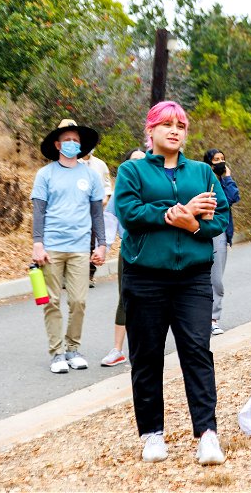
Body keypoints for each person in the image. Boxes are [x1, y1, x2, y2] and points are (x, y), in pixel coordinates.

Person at [114, 101, 229, 465]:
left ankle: (207, 434)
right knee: (146, 356)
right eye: (166, 124)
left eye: (181, 124)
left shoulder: (202, 173)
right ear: (151, 131)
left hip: (192, 278)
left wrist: (193, 224)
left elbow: (220, 217)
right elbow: (129, 214)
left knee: (197, 350)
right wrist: (175, 212)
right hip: (144, 277)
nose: (175, 130)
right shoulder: (131, 171)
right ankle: (152, 434)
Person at [31, 119, 107, 374]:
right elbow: (39, 212)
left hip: (79, 248)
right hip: (51, 247)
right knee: (52, 301)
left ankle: (73, 349)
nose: (72, 144)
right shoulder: (45, 174)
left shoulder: (90, 175)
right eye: (67, 140)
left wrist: (102, 245)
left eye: (76, 140)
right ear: (57, 144)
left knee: (78, 301)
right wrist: (37, 244)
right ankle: (57, 353)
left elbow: (97, 214)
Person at [101, 148, 146, 368]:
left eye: (143, 160)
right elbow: (110, 217)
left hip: (157, 250)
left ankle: (146, 348)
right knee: (126, 298)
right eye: (134, 161)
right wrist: (104, 247)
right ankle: (118, 350)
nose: (139, 164)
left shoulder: (155, 186)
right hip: (130, 250)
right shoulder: (121, 191)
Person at [202, 148, 241, 335]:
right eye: (216, 160)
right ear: (209, 163)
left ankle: (213, 318)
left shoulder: (224, 181)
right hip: (202, 231)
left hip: (220, 233)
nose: (220, 162)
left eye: (223, 159)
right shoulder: (203, 180)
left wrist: (227, 177)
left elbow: (232, 198)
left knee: (216, 279)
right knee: (202, 278)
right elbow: (216, 202)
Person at [81, 149, 113, 288]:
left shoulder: (100, 165)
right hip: (78, 210)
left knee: (92, 243)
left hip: (95, 210)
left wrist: (105, 199)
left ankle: (89, 275)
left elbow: (107, 186)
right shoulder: (73, 164)